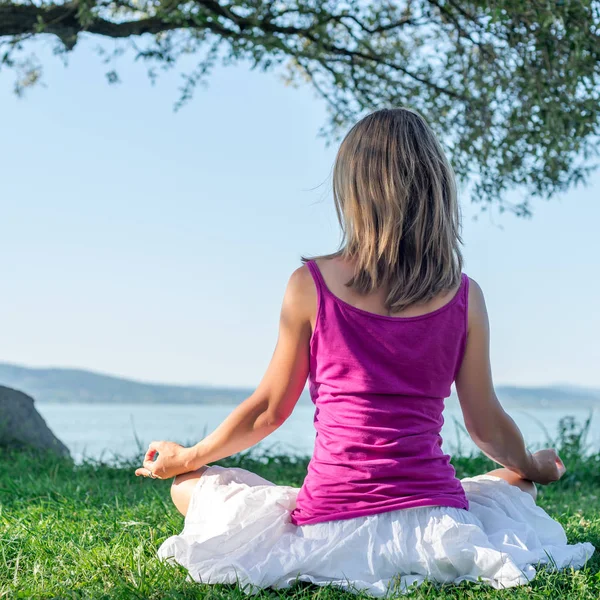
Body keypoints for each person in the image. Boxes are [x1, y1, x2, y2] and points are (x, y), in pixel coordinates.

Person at [134, 107, 595, 596]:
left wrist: (189, 457)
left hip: (328, 525)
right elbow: (484, 424)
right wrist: (533, 466)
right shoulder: (463, 296)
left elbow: (268, 412)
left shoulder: (309, 285)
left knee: (190, 488)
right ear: (435, 189)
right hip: (433, 523)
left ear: (353, 192)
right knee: (514, 485)